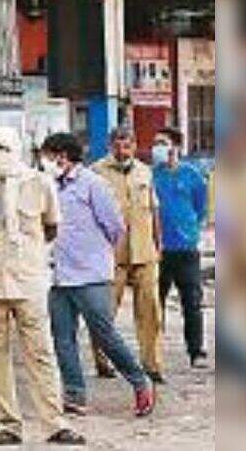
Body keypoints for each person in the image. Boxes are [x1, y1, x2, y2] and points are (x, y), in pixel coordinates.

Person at [0, 127, 85, 446]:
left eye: (2, 147)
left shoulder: (39, 183)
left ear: (16, 149)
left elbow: (51, 227)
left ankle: (54, 423)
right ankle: (8, 424)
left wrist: (27, 253)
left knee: (41, 354)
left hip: (28, 281)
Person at [40, 132, 155, 417]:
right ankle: (75, 393)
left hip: (90, 274)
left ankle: (140, 382)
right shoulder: (48, 186)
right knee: (62, 337)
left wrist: (95, 253)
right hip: (58, 275)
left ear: (62, 156)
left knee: (104, 334)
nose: (45, 162)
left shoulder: (93, 184)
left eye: (49, 156)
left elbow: (115, 226)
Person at [90, 126, 165, 383]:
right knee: (104, 312)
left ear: (134, 146)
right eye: (118, 144)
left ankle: (152, 364)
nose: (123, 150)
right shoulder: (96, 173)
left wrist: (159, 243)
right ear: (111, 145)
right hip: (112, 254)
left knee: (151, 311)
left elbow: (154, 210)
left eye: (128, 145)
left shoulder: (145, 172)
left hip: (144, 251)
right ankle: (102, 361)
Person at [152, 127, 210, 369]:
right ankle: (154, 351)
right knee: (155, 301)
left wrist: (191, 230)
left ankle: (195, 350)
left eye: (162, 143)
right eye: (156, 143)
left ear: (175, 147)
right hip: (158, 249)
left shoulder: (192, 175)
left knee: (192, 301)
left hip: (185, 248)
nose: (158, 148)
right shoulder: (151, 176)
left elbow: (201, 207)